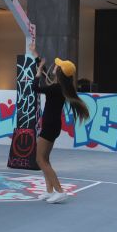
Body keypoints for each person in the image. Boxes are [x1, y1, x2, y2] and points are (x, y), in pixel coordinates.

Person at [28, 42, 90, 203]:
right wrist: (35, 54)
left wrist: (38, 72)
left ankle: (60, 191)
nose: (54, 66)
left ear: (59, 72)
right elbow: (45, 72)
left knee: (40, 160)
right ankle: (49, 191)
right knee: (45, 159)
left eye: (57, 66)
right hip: (53, 126)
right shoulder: (60, 87)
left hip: (49, 126)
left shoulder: (55, 88)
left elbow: (35, 88)